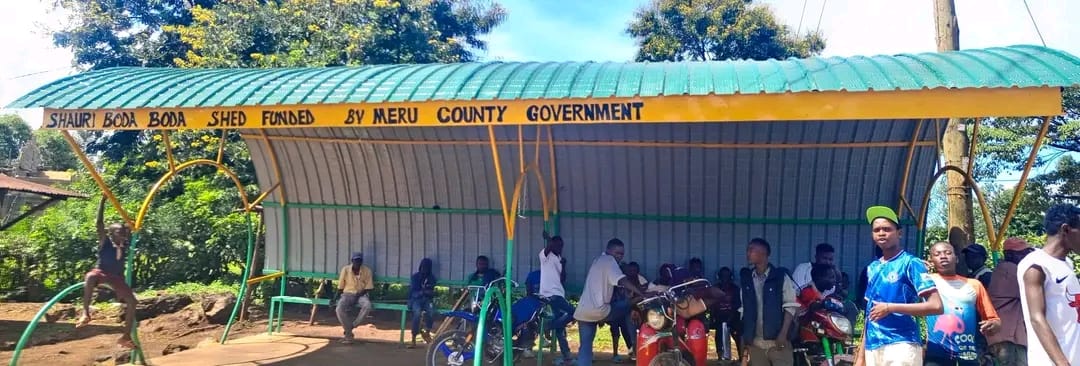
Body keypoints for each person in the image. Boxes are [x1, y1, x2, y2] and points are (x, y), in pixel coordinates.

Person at [855, 206, 943, 366]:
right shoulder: (872, 268)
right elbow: (870, 315)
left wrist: (890, 308)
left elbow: (936, 306)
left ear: (899, 233)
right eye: (877, 230)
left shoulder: (911, 263)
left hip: (901, 344)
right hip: (873, 347)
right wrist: (860, 358)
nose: (881, 233)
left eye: (887, 229)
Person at [1017, 204, 1080, 366]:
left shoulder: (1067, 264)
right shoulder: (1036, 265)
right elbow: (1037, 319)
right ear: (1065, 230)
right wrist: (1062, 363)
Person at [75, 196, 138, 349]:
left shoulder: (125, 243)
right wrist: (102, 202)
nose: (122, 235)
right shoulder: (106, 242)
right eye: (119, 232)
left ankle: (126, 337)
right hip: (102, 272)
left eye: (123, 232)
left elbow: (132, 226)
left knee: (133, 302)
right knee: (90, 276)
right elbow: (99, 224)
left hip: (116, 278)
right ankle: (86, 313)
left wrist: (129, 224)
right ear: (111, 234)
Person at [924, 241, 1001, 366]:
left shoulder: (974, 284)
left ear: (957, 259)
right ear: (931, 260)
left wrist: (993, 324)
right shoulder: (926, 281)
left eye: (948, 253)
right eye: (937, 254)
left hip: (967, 352)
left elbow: (994, 319)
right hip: (936, 352)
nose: (943, 256)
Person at [574, 238, 646, 366]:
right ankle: (634, 347)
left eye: (622, 254)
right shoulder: (609, 261)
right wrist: (641, 294)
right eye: (617, 253)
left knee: (585, 349)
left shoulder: (598, 260)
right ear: (608, 251)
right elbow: (622, 281)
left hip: (582, 312)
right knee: (628, 306)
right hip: (600, 310)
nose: (619, 256)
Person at [739, 238, 799, 366]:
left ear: (763, 253)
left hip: (777, 342)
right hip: (756, 344)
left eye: (751, 250)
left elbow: (790, 307)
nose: (748, 254)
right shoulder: (747, 279)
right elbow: (744, 309)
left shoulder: (780, 277)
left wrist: (783, 334)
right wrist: (745, 336)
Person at [986, 237, 1035, 366]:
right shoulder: (1009, 270)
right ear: (1010, 254)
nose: (1026, 256)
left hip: (1012, 335)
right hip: (1006, 335)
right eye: (1023, 253)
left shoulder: (1009, 269)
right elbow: (1033, 293)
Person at [539, 233, 574, 365]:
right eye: (557, 245)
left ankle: (567, 357)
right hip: (550, 294)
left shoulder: (558, 258)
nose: (560, 248)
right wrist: (549, 239)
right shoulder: (545, 256)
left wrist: (563, 265)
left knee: (560, 329)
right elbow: (549, 246)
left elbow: (562, 279)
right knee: (574, 312)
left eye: (561, 246)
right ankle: (549, 326)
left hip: (559, 293)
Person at [610, 262, 648, 363]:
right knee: (619, 330)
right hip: (618, 311)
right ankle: (621, 354)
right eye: (630, 271)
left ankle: (636, 353)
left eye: (634, 271)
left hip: (634, 311)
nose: (632, 273)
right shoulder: (620, 283)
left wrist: (634, 309)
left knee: (634, 333)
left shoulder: (641, 281)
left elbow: (643, 298)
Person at [336, 251, 374, 344]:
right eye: (356, 260)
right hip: (347, 294)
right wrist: (335, 298)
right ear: (352, 260)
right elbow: (340, 286)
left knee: (367, 306)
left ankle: (352, 326)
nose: (357, 262)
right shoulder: (345, 270)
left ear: (362, 261)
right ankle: (349, 334)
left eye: (359, 260)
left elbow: (369, 287)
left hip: (361, 294)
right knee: (339, 309)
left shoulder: (367, 270)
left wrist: (359, 294)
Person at [711, 267, 743, 361]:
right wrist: (713, 317)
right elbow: (712, 305)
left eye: (727, 276)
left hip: (733, 316)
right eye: (723, 276)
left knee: (738, 334)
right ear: (719, 277)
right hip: (719, 317)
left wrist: (731, 317)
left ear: (731, 277)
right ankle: (721, 357)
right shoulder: (715, 288)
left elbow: (737, 305)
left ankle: (741, 358)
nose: (725, 278)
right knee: (720, 333)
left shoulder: (735, 289)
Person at [408, 258, 436, 348]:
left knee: (431, 311)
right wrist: (424, 291)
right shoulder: (415, 277)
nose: (425, 269)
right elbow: (413, 292)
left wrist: (426, 292)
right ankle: (413, 338)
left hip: (427, 300)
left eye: (427, 267)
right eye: (423, 267)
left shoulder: (431, 278)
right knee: (417, 313)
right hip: (415, 299)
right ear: (420, 267)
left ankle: (427, 332)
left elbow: (432, 292)